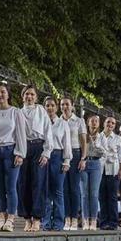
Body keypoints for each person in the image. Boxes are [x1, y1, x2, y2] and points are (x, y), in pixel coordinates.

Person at [0, 83, 27, 232]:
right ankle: (1, 218)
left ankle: (10, 219)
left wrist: (20, 153)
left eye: (2, 92)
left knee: (11, 187)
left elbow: (21, 134)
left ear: (8, 94)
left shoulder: (15, 112)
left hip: (11, 150)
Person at [18, 85, 49, 232]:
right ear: (22, 96)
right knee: (23, 183)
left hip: (38, 146)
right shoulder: (18, 112)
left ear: (36, 97)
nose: (29, 97)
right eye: (26, 94)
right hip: (23, 147)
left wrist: (46, 152)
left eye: (32, 94)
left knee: (38, 182)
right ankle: (26, 219)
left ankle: (37, 219)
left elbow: (48, 132)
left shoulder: (41, 111)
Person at [42, 96, 72, 231]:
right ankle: (46, 222)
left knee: (58, 191)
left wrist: (66, 160)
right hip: (43, 156)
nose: (50, 108)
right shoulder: (41, 122)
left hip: (58, 156)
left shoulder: (62, 123)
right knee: (45, 191)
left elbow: (67, 143)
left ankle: (59, 223)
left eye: (52, 105)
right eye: (47, 105)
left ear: (56, 107)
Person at [60, 97, 87, 232]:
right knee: (64, 188)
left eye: (67, 104)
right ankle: (67, 218)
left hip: (76, 154)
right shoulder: (58, 120)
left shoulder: (79, 121)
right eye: (62, 104)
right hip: (62, 154)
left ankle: (74, 219)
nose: (64, 106)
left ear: (72, 106)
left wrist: (83, 158)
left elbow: (83, 141)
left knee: (74, 188)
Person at [97, 117, 121, 231]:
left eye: (113, 123)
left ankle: (113, 223)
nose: (110, 124)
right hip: (100, 169)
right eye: (108, 122)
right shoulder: (98, 136)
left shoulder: (118, 138)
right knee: (102, 197)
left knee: (112, 197)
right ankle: (103, 223)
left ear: (115, 126)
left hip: (113, 170)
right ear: (104, 123)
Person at [80, 115, 103, 230]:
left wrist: (95, 145)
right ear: (88, 123)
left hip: (96, 163)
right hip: (84, 163)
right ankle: (85, 220)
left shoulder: (101, 136)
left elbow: (104, 151)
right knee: (84, 194)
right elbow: (79, 148)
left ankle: (93, 220)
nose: (94, 123)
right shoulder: (83, 135)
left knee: (94, 194)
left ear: (99, 124)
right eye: (91, 121)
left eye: (96, 121)